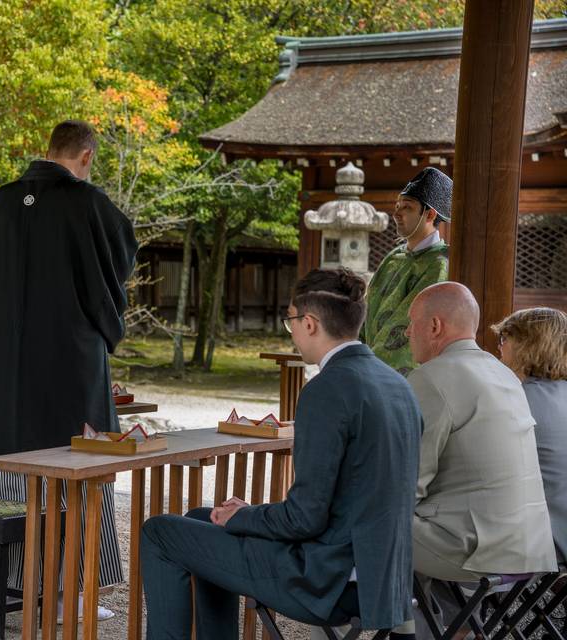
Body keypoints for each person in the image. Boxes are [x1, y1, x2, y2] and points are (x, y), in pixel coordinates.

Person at [142, 268, 421, 640]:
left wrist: (246, 516)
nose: (291, 332)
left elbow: (304, 518)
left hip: (326, 579)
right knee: (201, 518)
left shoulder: (328, 389)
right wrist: (240, 517)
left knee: (159, 532)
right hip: (382, 577)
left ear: (309, 322)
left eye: (290, 321)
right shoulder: (399, 384)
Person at [0, 119, 138, 618]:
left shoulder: (0, 202)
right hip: (71, 363)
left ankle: (18, 587)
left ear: (47, 148)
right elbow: (121, 256)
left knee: (18, 471)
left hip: (12, 365)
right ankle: (71, 597)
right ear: (86, 156)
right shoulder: (87, 203)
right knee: (80, 469)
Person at [400, 283, 557, 636]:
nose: (408, 332)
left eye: (412, 322)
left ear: (435, 326)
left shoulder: (430, 378)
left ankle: (366, 622)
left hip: (475, 547)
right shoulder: (503, 373)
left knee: (367, 521)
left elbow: (407, 485)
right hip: (530, 543)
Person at [492, 307, 567, 562]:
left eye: (505, 338)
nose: (499, 348)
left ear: (526, 344)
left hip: (541, 541)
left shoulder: (517, 400)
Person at [363, 167, 451, 375]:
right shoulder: (393, 257)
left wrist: (368, 365)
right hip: (368, 363)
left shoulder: (439, 263)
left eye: (407, 208)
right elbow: (366, 310)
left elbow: (408, 324)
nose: (396, 214)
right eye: (397, 206)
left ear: (430, 214)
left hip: (400, 373)